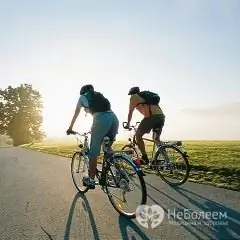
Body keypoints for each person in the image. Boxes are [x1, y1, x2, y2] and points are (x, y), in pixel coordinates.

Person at [66, 84, 119, 189]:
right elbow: (103, 113)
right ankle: (118, 173)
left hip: (101, 119)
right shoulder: (98, 96)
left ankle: (91, 179)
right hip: (113, 119)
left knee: (93, 153)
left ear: (82, 92)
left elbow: (76, 114)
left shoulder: (82, 97)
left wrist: (70, 128)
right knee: (108, 150)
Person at [124, 86, 165, 165]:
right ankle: (165, 158)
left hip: (151, 117)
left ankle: (144, 158)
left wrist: (128, 124)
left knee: (138, 135)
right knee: (156, 139)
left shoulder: (134, 97)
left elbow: (130, 112)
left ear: (131, 93)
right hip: (161, 116)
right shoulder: (146, 98)